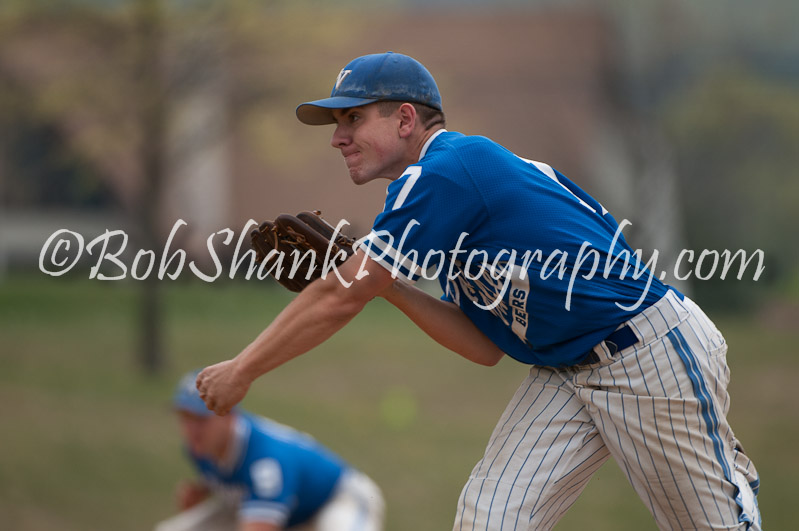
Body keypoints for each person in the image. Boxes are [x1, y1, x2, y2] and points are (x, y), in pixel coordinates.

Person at [196, 52, 761, 530]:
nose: (339, 137)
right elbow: (482, 345)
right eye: (336, 124)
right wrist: (385, 286)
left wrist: (244, 368)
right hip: (565, 369)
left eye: (353, 118)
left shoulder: (449, 168)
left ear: (405, 119)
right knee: (489, 518)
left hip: (645, 353)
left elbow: (339, 295)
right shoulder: (438, 196)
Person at [157, 371, 385, 531]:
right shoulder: (199, 448)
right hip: (285, 510)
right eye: (185, 418)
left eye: (201, 418)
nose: (191, 429)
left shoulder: (266, 460)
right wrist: (205, 488)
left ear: (229, 415)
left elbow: (261, 519)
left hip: (339, 500)